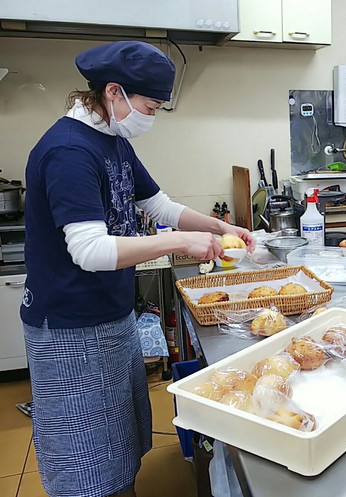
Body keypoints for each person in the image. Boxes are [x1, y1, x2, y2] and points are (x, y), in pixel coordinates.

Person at [21, 41, 254, 497]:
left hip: (108, 314)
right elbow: (88, 250)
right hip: (71, 324)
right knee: (88, 464)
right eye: (150, 105)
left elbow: (159, 204)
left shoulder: (111, 140)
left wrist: (219, 226)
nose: (152, 115)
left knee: (117, 448)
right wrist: (180, 241)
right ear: (114, 92)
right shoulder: (69, 150)